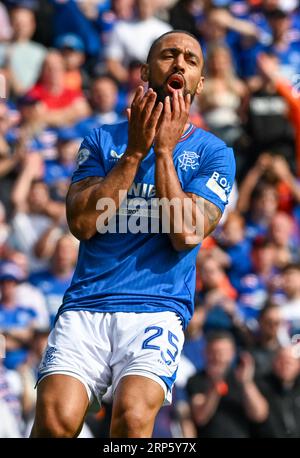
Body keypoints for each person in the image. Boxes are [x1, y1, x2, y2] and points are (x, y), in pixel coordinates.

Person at [31, 30, 235, 438]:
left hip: (157, 308)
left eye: (191, 60)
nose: (179, 64)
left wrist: (163, 152)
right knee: (54, 424)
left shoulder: (215, 152)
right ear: (145, 71)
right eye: (169, 55)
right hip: (88, 303)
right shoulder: (102, 139)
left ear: (200, 83)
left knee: (132, 419)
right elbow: (83, 223)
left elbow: (186, 232)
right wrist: (135, 153)